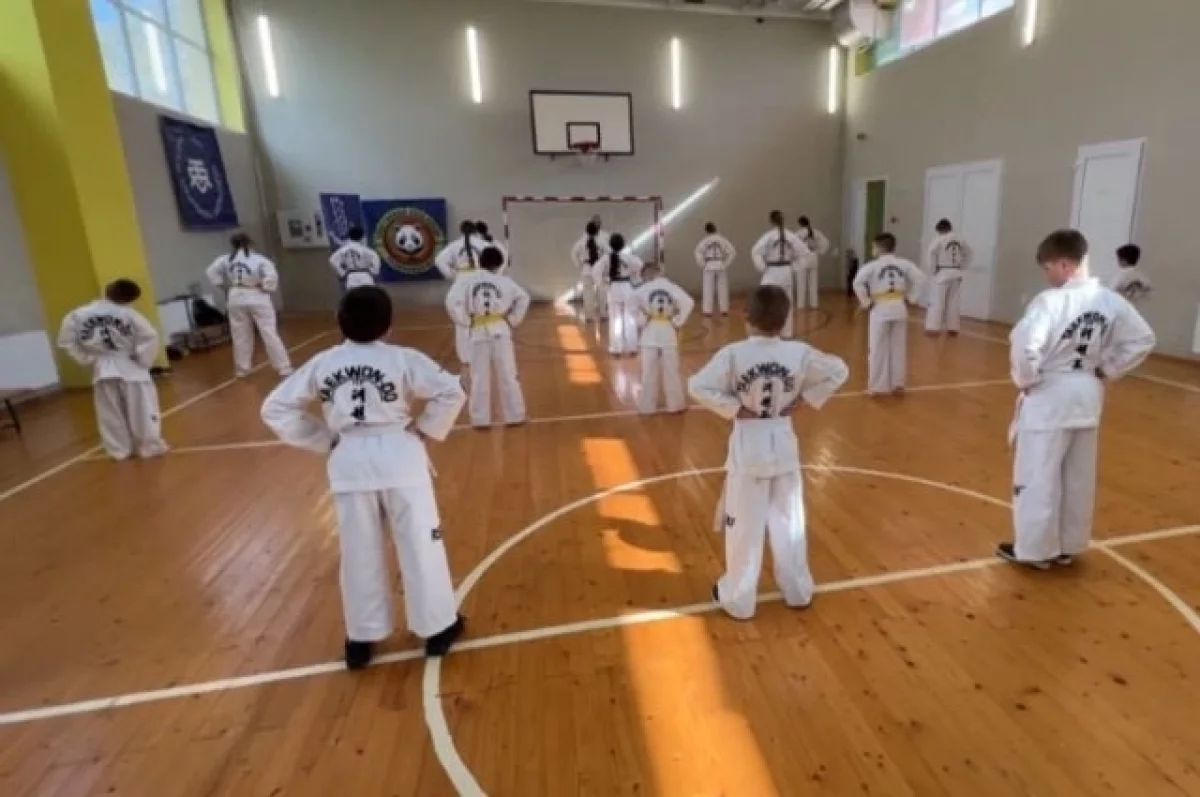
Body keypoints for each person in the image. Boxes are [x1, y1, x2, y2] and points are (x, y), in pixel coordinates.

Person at [260, 287, 467, 669]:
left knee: (359, 551)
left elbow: (275, 408)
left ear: (339, 323)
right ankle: (437, 628)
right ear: (389, 325)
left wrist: (325, 439)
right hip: (400, 457)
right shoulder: (403, 358)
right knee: (421, 545)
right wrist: (425, 428)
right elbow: (451, 391)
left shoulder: (324, 363)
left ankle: (361, 637)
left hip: (349, 460)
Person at [688, 285, 848, 620]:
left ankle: (739, 599)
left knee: (745, 528)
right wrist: (805, 399)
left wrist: (734, 408)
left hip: (749, 448)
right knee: (790, 522)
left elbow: (697, 385)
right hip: (783, 442)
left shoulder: (734, 354)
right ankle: (798, 591)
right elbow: (839, 370)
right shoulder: (799, 352)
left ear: (746, 316)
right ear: (785, 319)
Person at [998, 230, 1155, 570]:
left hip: (1050, 394)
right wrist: (1108, 368)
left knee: (1038, 475)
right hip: (1087, 392)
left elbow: (1025, 347)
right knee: (1077, 476)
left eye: (1048, 268)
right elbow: (1143, 338)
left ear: (1064, 265)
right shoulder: (1110, 301)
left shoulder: (1049, 302)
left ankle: (1035, 550)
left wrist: (1026, 380)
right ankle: (1068, 545)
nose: (1047, 276)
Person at [57, 279, 169, 461]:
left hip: (102, 368)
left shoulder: (77, 315)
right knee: (142, 409)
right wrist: (143, 358)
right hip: (131, 367)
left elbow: (66, 342)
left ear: (107, 290)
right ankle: (149, 447)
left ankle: (119, 450)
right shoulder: (129, 314)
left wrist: (87, 358)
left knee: (110, 414)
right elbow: (150, 336)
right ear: (128, 299)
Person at [445, 246, 530, 428]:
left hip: (477, 330)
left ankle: (480, 419)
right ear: (498, 264)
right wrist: (513, 320)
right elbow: (524, 298)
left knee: (478, 376)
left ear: (480, 262)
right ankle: (515, 415)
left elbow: (451, 301)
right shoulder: (505, 281)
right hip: (500, 328)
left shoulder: (466, 281)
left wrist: (465, 320)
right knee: (508, 374)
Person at [205, 233, 292, 378]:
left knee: (240, 335)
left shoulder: (226, 259)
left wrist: (223, 286)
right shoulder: (258, 259)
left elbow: (210, 272)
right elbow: (271, 276)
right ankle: (283, 367)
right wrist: (266, 287)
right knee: (269, 332)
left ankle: (242, 369)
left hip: (235, 296)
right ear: (250, 243)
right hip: (256, 294)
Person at [852, 233, 925, 396]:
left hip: (880, 308)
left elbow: (857, 283)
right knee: (898, 347)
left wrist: (866, 302)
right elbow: (920, 278)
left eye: (873, 246)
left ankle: (877, 387)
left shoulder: (871, 266)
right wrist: (912, 298)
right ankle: (898, 384)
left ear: (878, 248)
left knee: (877, 348)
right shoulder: (904, 264)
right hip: (899, 307)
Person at [633, 261, 695, 413]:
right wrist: (677, 321)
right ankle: (675, 405)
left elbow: (631, 302)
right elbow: (689, 302)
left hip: (650, 331)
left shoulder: (643, 289)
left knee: (648, 372)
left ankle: (646, 407)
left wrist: (641, 319)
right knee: (671, 371)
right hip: (668, 330)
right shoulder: (672, 287)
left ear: (647, 274)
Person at [751, 211, 809, 339]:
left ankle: (767, 330)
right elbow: (805, 253)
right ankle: (787, 333)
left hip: (772, 270)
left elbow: (755, 251)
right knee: (786, 301)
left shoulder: (768, 236)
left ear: (771, 221)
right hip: (786, 270)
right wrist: (794, 267)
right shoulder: (791, 236)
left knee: (766, 300)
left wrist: (762, 266)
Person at [436, 221, 485, 369]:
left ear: (461, 231)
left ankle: (465, 357)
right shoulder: (483, 244)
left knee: (461, 320)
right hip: (481, 280)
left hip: (461, 281)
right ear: (475, 231)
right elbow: (500, 256)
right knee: (482, 317)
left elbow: (439, 260)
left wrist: (452, 274)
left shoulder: (454, 246)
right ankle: (482, 352)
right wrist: (493, 274)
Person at [592, 233, 644, 356]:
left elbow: (596, 271)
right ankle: (632, 347)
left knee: (615, 319)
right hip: (627, 287)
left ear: (610, 245)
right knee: (630, 318)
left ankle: (616, 348)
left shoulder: (605, 259)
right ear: (623, 245)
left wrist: (603, 285)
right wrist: (636, 280)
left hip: (614, 287)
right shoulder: (629, 257)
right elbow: (640, 267)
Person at [923, 218, 974, 336]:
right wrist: (962, 266)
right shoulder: (960, 239)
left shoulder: (938, 240)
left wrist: (933, 270)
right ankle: (953, 327)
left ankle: (933, 327)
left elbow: (931, 255)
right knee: (953, 302)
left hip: (942, 273)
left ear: (940, 230)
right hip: (956, 273)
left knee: (937, 301)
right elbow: (969, 253)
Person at [693, 222, 736, 317]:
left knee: (708, 288)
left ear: (706, 230)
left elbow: (698, 252)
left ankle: (707, 311)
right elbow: (732, 252)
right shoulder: (722, 240)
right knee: (723, 288)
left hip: (709, 264)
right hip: (720, 264)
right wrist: (725, 264)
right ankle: (724, 309)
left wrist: (703, 264)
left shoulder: (705, 241)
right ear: (715, 229)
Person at [570, 222, 609, 322]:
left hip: (587, 268)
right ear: (597, 231)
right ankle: (603, 314)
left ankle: (589, 316)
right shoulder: (601, 241)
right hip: (598, 269)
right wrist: (604, 265)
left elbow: (573, 254)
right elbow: (608, 253)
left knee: (588, 293)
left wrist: (579, 265)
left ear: (586, 231)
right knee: (601, 292)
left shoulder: (581, 242)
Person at [330, 225, 382, 290]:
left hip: (351, 277)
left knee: (354, 295)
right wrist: (374, 271)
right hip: (365, 276)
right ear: (362, 237)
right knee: (367, 294)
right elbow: (376, 261)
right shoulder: (368, 251)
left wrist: (342, 272)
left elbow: (333, 260)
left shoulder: (343, 250)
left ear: (349, 236)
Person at [794, 216, 829, 310]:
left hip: (803, 258)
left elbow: (793, 246)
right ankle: (814, 304)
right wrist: (818, 251)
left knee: (801, 282)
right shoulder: (817, 232)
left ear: (800, 223)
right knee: (813, 282)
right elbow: (825, 243)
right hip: (813, 257)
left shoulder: (799, 233)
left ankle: (801, 304)